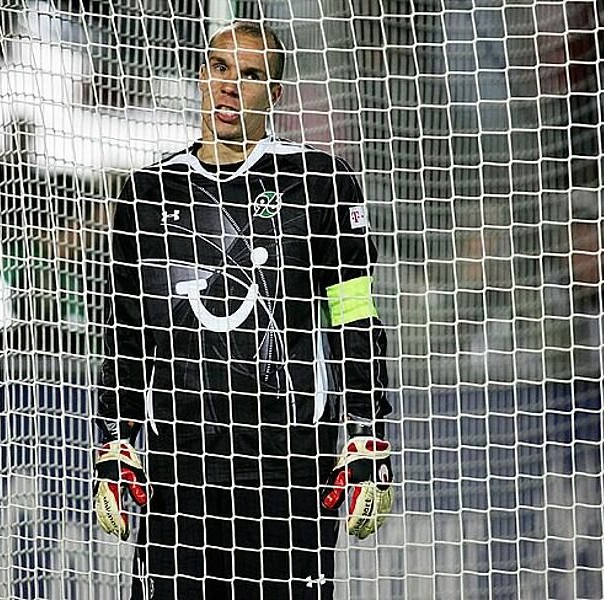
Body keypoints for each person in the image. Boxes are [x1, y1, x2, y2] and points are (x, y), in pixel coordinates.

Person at [92, 20, 394, 600]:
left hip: (289, 459)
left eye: (251, 74)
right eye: (220, 67)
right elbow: (127, 328)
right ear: (201, 77)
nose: (231, 85)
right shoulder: (146, 193)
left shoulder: (319, 181)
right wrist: (114, 438)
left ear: (274, 94)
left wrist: (367, 433)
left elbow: (353, 311)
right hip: (181, 460)